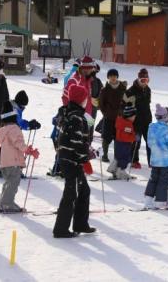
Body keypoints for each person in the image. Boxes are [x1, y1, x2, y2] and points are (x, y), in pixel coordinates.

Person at [53, 84, 95, 238]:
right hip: (71, 159)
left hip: (69, 157)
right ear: (80, 100)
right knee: (71, 193)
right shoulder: (76, 117)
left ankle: (81, 224)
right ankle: (61, 229)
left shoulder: (69, 113)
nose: (86, 102)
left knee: (84, 190)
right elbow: (77, 142)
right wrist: (87, 157)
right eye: (85, 99)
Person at [0, 101, 39, 213]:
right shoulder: (14, 129)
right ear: (14, 117)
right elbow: (18, 142)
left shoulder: (2, 130)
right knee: (13, 183)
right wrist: (28, 150)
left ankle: (4, 202)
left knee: (8, 183)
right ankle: (7, 204)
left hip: (5, 163)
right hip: (13, 162)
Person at [0, 90, 41, 175]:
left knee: (7, 149)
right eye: (23, 106)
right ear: (19, 102)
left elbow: (18, 122)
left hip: (7, 130)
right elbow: (18, 123)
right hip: (9, 131)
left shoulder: (13, 106)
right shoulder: (13, 109)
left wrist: (29, 124)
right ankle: (10, 169)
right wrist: (29, 125)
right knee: (13, 150)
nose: (23, 108)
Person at [144, 104, 168, 209]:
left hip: (155, 160)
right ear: (165, 117)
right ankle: (160, 201)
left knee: (153, 179)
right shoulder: (167, 132)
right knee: (163, 181)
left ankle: (148, 200)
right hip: (165, 162)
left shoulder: (151, 129)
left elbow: (150, 144)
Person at [122, 68, 152, 168]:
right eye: (143, 80)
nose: (145, 83)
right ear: (139, 80)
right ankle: (134, 160)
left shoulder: (148, 90)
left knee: (150, 142)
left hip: (147, 120)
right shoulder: (131, 91)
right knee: (136, 142)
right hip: (136, 121)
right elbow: (124, 104)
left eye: (147, 80)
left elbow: (148, 104)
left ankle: (152, 162)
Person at [98, 68, 127, 162]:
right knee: (106, 137)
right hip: (108, 117)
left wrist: (122, 112)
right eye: (111, 76)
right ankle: (105, 156)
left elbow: (126, 102)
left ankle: (116, 157)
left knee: (118, 138)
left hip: (119, 117)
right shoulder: (104, 89)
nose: (113, 78)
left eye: (114, 76)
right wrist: (106, 113)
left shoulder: (123, 88)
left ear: (117, 77)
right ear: (108, 77)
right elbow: (101, 104)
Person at [107, 103, 137, 179]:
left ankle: (114, 169)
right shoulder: (127, 125)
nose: (134, 118)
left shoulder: (121, 122)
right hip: (124, 144)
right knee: (124, 158)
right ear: (129, 116)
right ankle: (120, 171)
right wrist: (134, 137)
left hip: (119, 143)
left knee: (119, 157)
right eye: (133, 116)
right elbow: (125, 137)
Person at [89, 63, 104, 143]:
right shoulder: (85, 79)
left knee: (90, 125)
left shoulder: (97, 81)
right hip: (84, 108)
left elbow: (103, 92)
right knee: (86, 125)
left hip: (92, 109)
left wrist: (97, 101)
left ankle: (89, 142)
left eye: (95, 69)